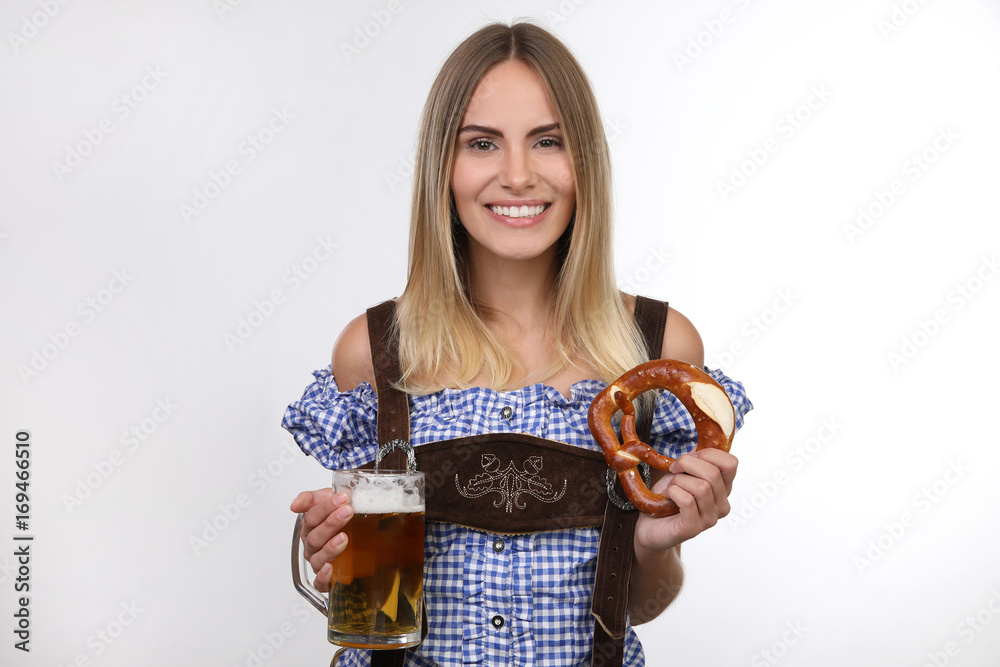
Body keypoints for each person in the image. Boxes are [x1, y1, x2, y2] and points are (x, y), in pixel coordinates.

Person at [283, 21, 752, 667]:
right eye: (482, 143)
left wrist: (655, 542)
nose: (518, 174)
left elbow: (641, 604)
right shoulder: (376, 351)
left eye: (547, 141)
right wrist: (342, 566)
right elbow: (373, 611)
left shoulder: (654, 349)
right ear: (442, 166)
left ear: (583, 159)